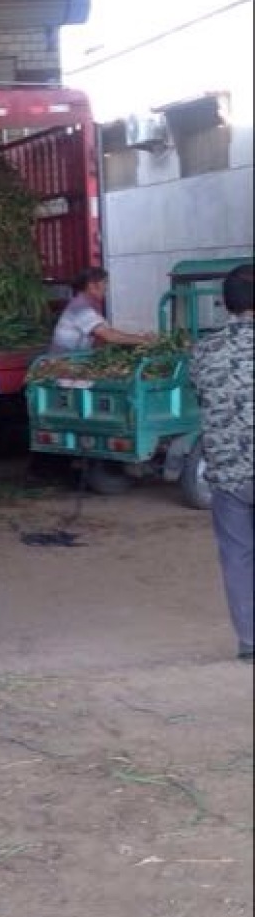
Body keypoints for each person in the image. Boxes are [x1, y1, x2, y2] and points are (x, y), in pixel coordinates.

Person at [189, 262, 254, 664]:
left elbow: (202, 395)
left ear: (226, 304)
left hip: (230, 472)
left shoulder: (204, 350)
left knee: (237, 553)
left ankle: (250, 641)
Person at [50, 267, 154, 353]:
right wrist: (143, 340)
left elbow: (108, 332)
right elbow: (109, 335)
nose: (106, 288)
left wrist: (138, 338)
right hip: (65, 361)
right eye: (104, 283)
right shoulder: (81, 308)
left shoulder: (89, 305)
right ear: (92, 285)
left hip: (75, 358)